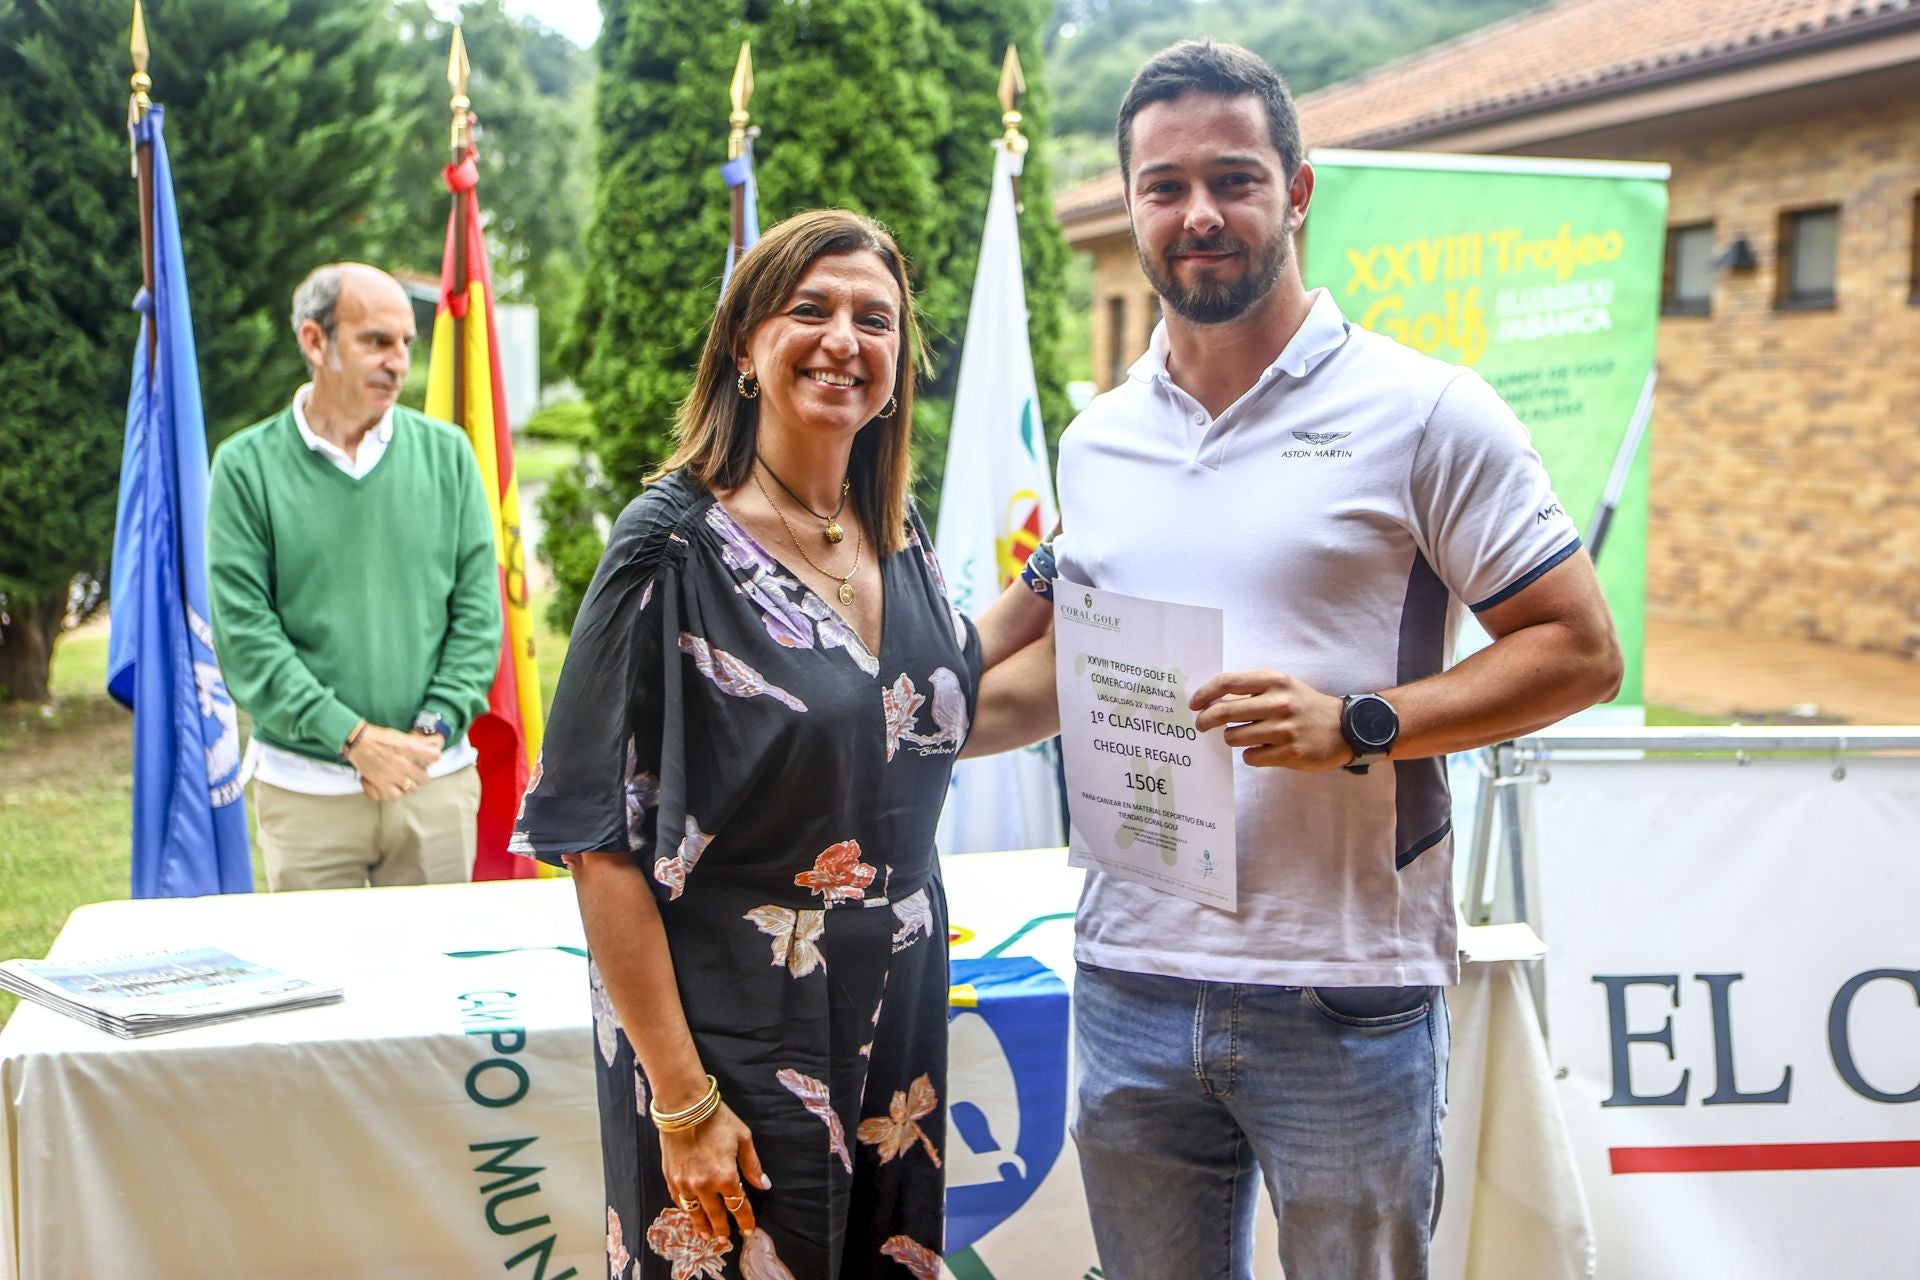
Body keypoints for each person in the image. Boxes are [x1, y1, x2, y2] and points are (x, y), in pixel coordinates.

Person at [964, 40, 1624, 1280]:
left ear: (1298, 191)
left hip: (1346, 990)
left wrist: (1360, 722)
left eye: (1234, 178)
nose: (1198, 212)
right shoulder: (1099, 439)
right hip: (1126, 972)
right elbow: (1069, 677)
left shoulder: (1428, 411)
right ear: (1130, 208)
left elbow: (1580, 650)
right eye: (1163, 186)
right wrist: (874, 714)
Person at [512, 210, 974, 1279]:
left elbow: (930, 706)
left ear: (900, 366)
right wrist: (682, 1100)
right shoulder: (670, 548)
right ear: (743, 348)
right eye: (808, 310)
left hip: (893, 1021)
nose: (843, 339)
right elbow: (595, 836)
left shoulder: (894, 531)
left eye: (875, 318)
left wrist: (1093, 610)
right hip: (733, 1034)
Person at [208, 262, 500, 891]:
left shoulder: (448, 455)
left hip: (434, 782)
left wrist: (427, 733)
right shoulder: (243, 467)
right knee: (325, 987)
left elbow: (478, 616)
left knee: (436, 985)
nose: (397, 361)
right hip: (307, 796)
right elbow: (247, 636)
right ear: (315, 342)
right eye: (375, 341)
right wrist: (353, 739)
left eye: (404, 344)